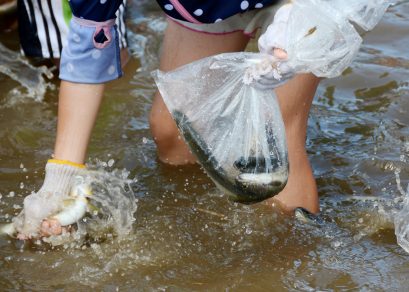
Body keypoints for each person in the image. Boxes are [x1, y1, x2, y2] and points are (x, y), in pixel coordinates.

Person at [15, 0, 320, 239]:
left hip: (305, 8)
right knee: (174, 132)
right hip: (205, 5)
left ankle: (287, 263)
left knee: (273, 144)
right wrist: (60, 180)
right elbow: (88, 48)